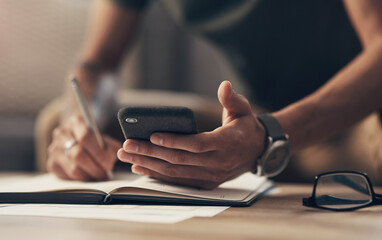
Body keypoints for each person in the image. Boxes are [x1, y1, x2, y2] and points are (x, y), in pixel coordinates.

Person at [47, 0, 382, 188]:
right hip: (256, 121)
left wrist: (271, 135)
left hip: (354, 123)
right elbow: (99, 63)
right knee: (56, 125)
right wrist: (80, 122)